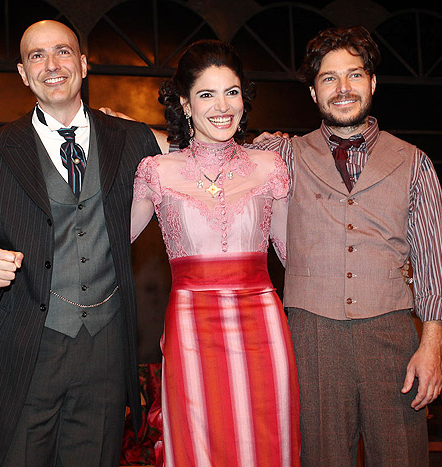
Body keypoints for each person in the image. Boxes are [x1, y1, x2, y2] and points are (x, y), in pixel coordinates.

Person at [0, 20, 161, 466]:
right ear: (23, 73)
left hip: (105, 349)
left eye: (62, 52)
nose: (52, 65)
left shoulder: (133, 138)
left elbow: (200, 161)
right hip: (25, 348)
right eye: (36, 56)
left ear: (82, 64)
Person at [254, 26, 442, 466]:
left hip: (392, 334)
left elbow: (434, 261)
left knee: (402, 456)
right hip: (312, 336)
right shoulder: (283, 157)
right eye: (329, 78)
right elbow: (212, 154)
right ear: (312, 92)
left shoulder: (414, 162)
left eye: (354, 75)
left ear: (372, 83)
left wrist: (431, 346)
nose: (343, 88)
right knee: (321, 457)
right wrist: (135, 135)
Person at [130, 39, 300, 467]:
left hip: (263, 323)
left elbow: (295, 256)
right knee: (198, 442)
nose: (222, 105)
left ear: (244, 97)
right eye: (206, 94)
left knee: (269, 437)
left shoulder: (269, 167)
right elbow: (108, 242)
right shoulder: (156, 171)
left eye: (232, 91)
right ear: (185, 103)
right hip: (191, 325)